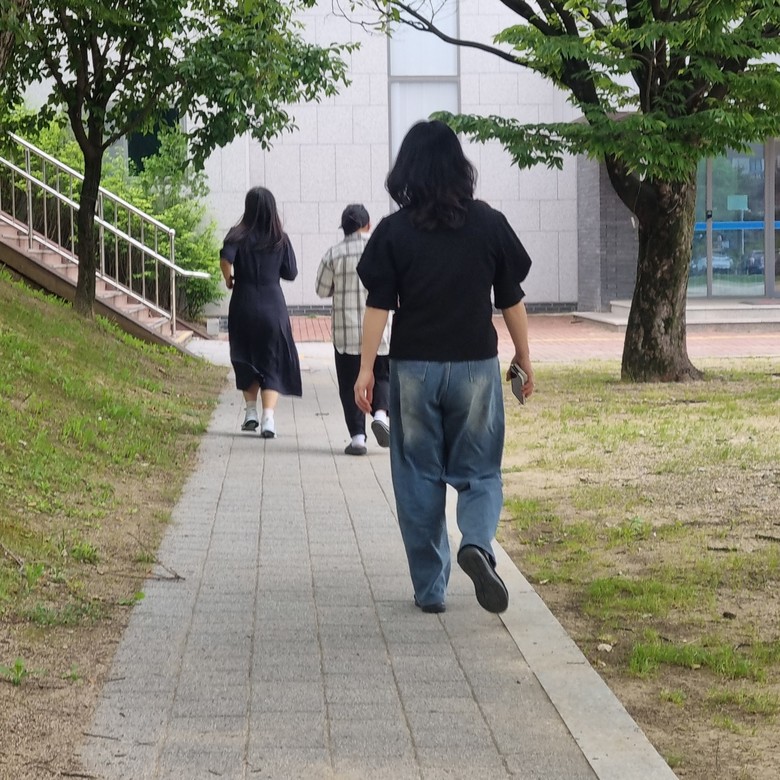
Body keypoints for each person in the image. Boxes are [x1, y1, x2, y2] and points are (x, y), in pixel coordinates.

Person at [354, 120, 534, 615]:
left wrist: (366, 369)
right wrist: (523, 356)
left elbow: (378, 305)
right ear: (459, 167)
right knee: (481, 471)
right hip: (475, 366)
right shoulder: (488, 222)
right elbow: (511, 298)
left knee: (417, 475)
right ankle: (476, 543)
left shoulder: (393, 231)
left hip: (414, 368)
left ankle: (431, 589)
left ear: (407, 170)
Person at [219, 186, 302, 438]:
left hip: (243, 302)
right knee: (272, 360)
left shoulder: (237, 235)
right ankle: (268, 419)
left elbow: (225, 259)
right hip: (272, 305)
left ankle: (250, 413)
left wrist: (229, 279)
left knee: (245, 355)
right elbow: (291, 272)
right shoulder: (279, 238)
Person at [315, 204, 392, 456]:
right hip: (381, 330)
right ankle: (381, 415)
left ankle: (358, 438)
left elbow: (321, 289)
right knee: (382, 375)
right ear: (368, 225)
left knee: (349, 383)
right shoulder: (382, 249)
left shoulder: (333, 254)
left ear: (344, 229)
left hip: (346, 334)